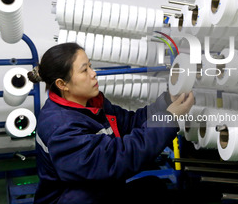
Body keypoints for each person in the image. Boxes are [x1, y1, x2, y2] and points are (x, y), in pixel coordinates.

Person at [28, 42, 194, 204]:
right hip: (74, 198)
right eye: (84, 70)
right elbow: (117, 158)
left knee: (153, 188)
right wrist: (169, 118)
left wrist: (167, 102)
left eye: (90, 66)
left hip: (96, 189)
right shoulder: (61, 128)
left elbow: (131, 122)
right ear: (62, 84)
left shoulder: (92, 104)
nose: (93, 74)